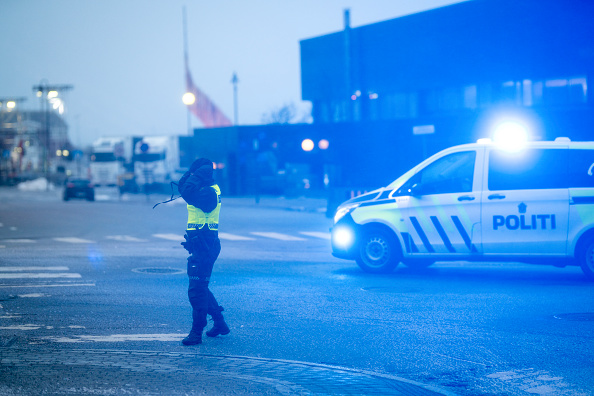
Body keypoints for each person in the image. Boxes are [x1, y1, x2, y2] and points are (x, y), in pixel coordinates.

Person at [177, 158, 229, 346]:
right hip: (202, 244)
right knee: (201, 287)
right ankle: (220, 324)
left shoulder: (208, 192)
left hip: (205, 245)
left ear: (201, 175)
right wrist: (191, 174)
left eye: (195, 174)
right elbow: (184, 189)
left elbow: (188, 191)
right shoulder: (204, 189)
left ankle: (196, 333)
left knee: (196, 291)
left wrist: (196, 176)